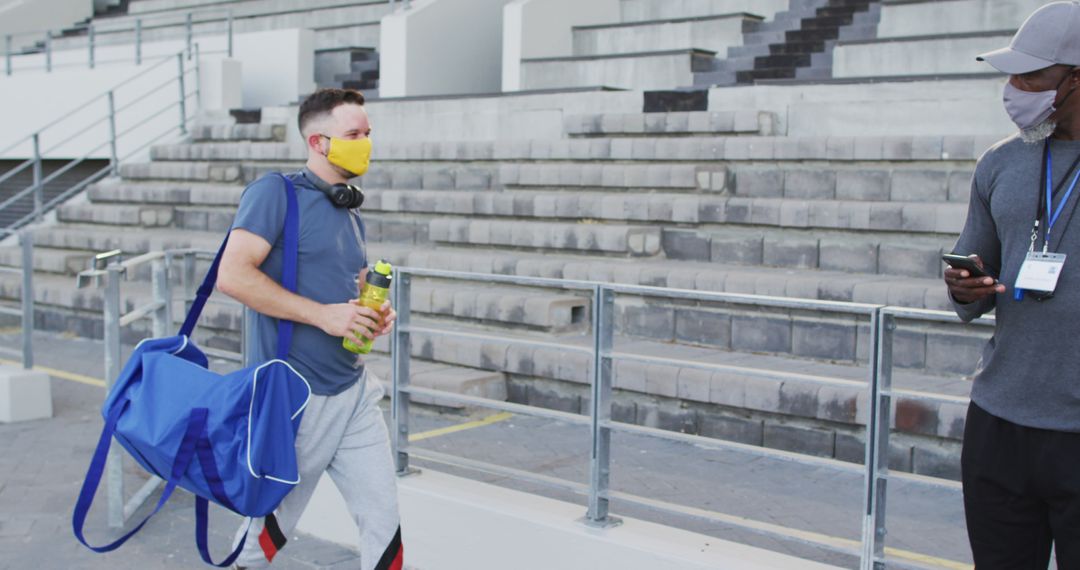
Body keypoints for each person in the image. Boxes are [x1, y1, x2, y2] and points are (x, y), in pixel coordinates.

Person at [216, 88, 404, 570]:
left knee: (383, 521)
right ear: (319, 142)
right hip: (300, 396)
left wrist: (376, 312)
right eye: (354, 135)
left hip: (355, 389)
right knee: (268, 531)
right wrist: (324, 315)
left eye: (368, 134)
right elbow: (233, 276)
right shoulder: (273, 193)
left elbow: (352, 282)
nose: (366, 143)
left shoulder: (348, 206)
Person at [947, 2, 1080, 567]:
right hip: (998, 425)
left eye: (1031, 75)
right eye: (1011, 73)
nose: (1014, 87)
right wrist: (962, 287)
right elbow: (971, 276)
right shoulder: (999, 163)